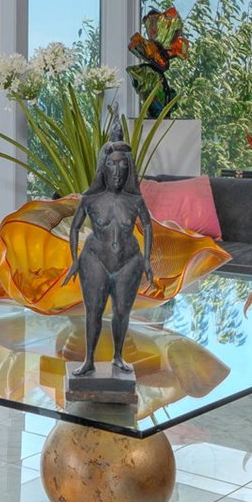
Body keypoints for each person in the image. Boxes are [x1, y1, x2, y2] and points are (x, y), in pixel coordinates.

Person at [64, 138, 154, 380]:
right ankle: (89, 360)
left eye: (122, 165)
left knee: (122, 312)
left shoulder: (135, 200)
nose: (117, 171)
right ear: (103, 166)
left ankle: (118, 356)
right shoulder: (90, 199)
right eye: (112, 165)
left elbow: (147, 225)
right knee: (93, 311)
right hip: (95, 259)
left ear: (129, 169)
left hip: (128, 261)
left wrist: (146, 260)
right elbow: (74, 228)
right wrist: (74, 260)